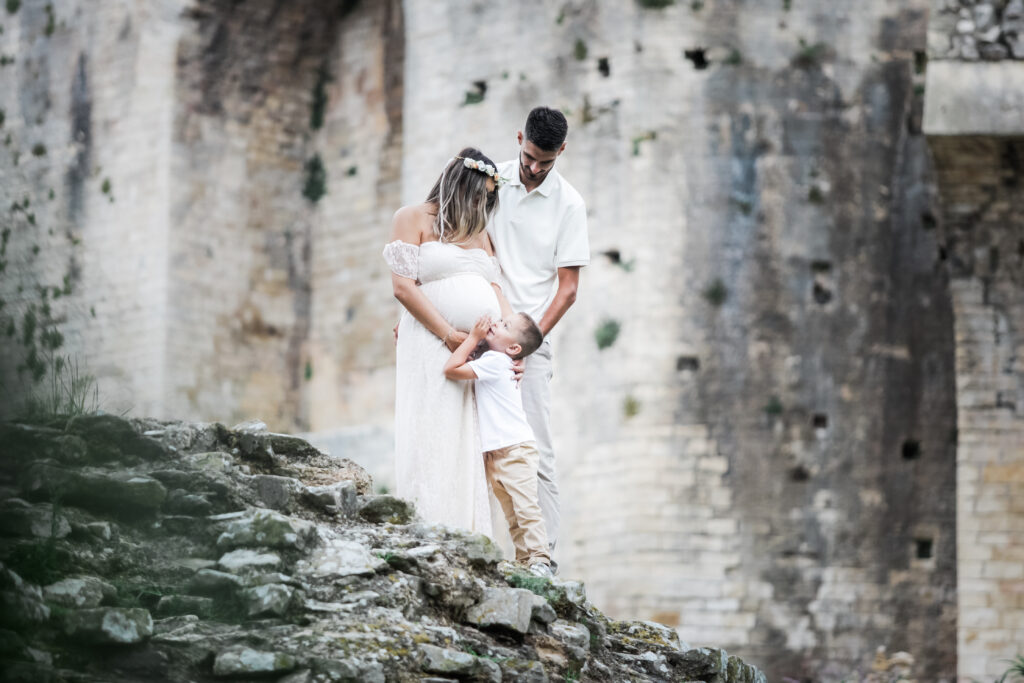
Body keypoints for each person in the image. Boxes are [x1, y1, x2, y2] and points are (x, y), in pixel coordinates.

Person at [383, 148, 511, 534]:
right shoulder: (412, 218)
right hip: (430, 341)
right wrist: (450, 334)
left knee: (467, 437)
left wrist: (510, 341)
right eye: (481, 194)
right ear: (460, 183)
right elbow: (403, 288)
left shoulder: (483, 235)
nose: (484, 203)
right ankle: (427, 523)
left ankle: (468, 531)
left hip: (474, 352)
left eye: (490, 198)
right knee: (432, 427)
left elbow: (495, 288)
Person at [487, 107, 589, 557]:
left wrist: (525, 347)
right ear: (519, 138)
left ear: (561, 151)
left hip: (528, 343)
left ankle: (542, 556)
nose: (534, 168)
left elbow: (567, 291)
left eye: (545, 161)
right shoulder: (490, 182)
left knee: (535, 452)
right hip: (477, 330)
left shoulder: (570, 205)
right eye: (529, 156)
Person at [443, 313, 553, 578]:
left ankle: (541, 559)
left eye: (504, 325)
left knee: (525, 508)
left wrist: (473, 338)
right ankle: (526, 561)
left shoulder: (495, 361)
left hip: (514, 449)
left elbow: (451, 369)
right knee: (513, 513)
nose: (495, 323)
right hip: (499, 452)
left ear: (514, 348)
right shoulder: (495, 360)